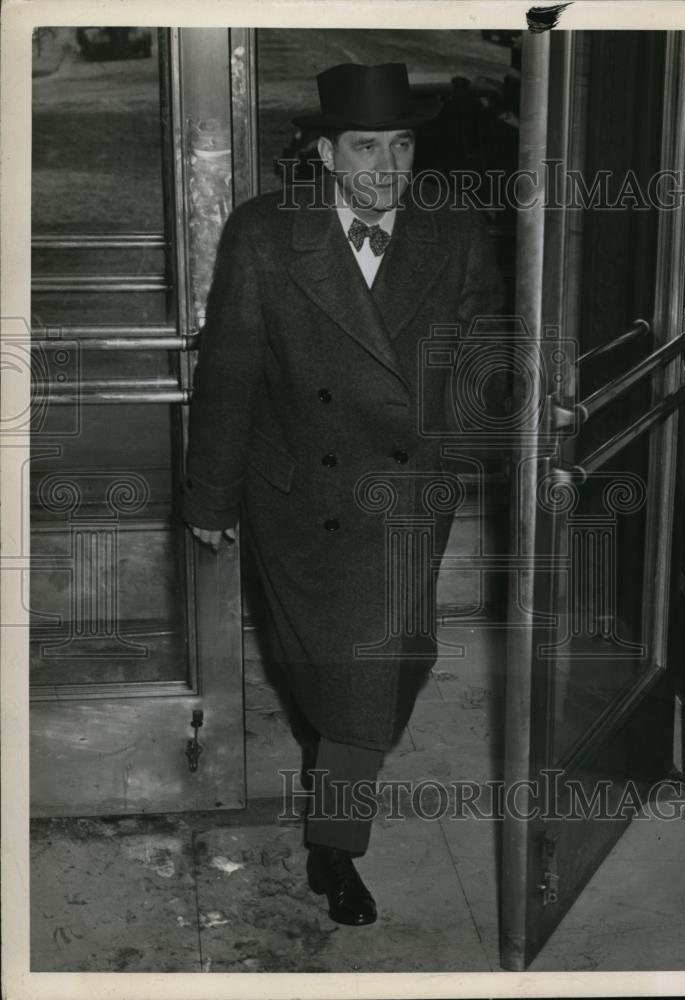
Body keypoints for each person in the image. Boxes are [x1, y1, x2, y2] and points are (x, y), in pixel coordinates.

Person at [180, 61, 505, 926]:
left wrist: (478, 440)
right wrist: (210, 498)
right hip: (300, 497)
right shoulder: (263, 236)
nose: (386, 166)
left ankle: (333, 809)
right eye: (366, 146)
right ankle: (337, 848)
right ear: (326, 153)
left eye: (401, 145)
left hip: (405, 499)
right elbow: (231, 373)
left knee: (387, 671)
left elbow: (484, 354)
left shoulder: (455, 229)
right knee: (344, 677)